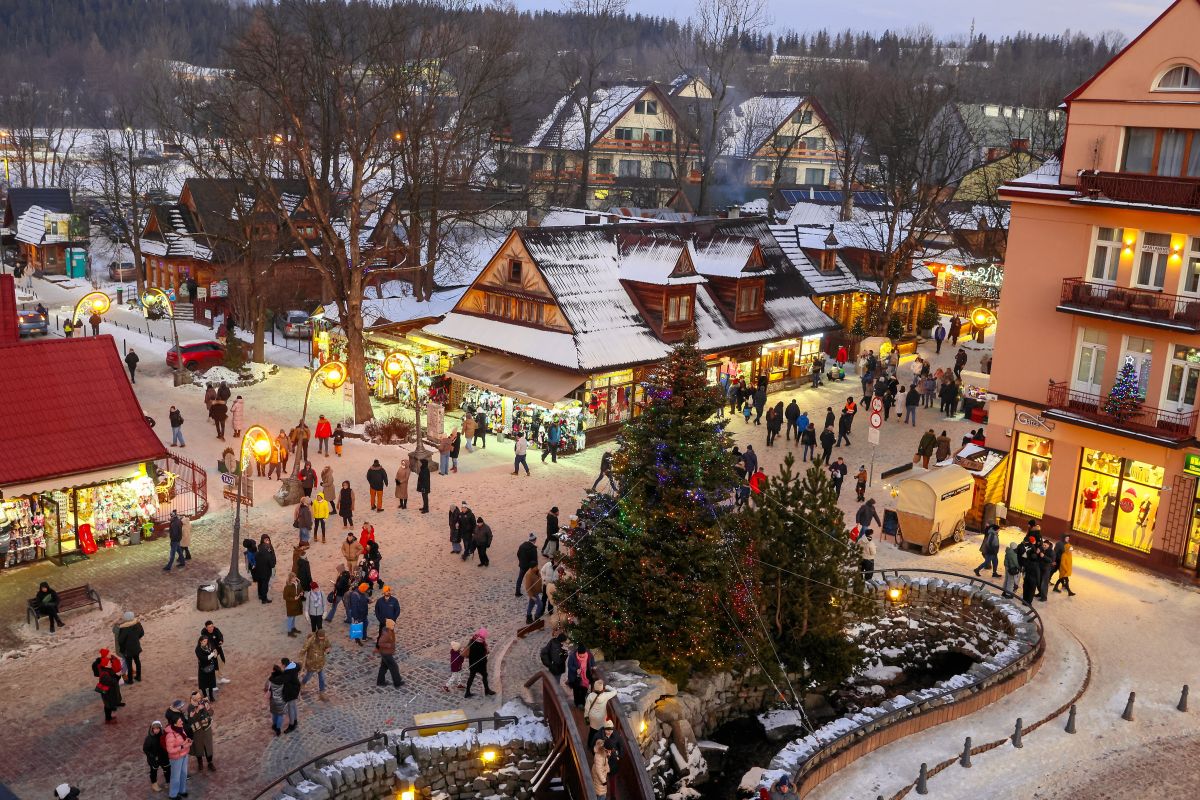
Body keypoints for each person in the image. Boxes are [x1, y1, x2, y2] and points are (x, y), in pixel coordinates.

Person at [584, 679, 619, 749]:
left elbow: (586, 708)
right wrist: (608, 687)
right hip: (601, 718)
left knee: (592, 731)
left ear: (594, 687)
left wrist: (586, 716)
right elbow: (615, 692)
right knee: (599, 733)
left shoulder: (590, 695)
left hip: (592, 716)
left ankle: (589, 745)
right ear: (602, 688)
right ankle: (596, 746)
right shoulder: (605, 695)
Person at [186, 690, 215, 772]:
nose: (200, 699)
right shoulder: (191, 707)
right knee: (198, 747)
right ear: (193, 699)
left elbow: (211, 712)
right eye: (198, 698)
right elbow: (191, 720)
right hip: (197, 731)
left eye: (200, 697)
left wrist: (207, 713)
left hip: (206, 729)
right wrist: (198, 710)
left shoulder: (204, 702)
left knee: (208, 747)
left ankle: (210, 762)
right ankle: (200, 763)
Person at [91, 648, 123, 723]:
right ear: (105, 665)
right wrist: (117, 676)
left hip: (110, 692)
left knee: (109, 704)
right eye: (109, 663)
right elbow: (113, 682)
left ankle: (110, 714)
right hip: (108, 693)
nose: (110, 664)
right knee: (108, 706)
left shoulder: (106, 670)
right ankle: (108, 718)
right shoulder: (104, 674)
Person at [164, 715, 192, 797]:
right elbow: (170, 750)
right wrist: (182, 746)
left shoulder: (180, 729)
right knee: (175, 777)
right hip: (176, 758)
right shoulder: (170, 735)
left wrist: (187, 740)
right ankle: (173, 795)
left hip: (184, 755)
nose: (182, 722)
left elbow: (183, 738)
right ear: (175, 724)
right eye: (180, 721)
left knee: (183, 774)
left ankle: (182, 791)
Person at [300, 628, 332, 700]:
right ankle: (302, 684)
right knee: (308, 676)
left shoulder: (325, 639)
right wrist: (301, 663)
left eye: (322, 638)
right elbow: (302, 652)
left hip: (320, 663)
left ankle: (322, 693)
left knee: (322, 678)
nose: (321, 640)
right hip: (311, 664)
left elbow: (328, 646)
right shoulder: (310, 641)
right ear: (317, 636)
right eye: (320, 638)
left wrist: (328, 650)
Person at [463, 628, 495, 697]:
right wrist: (486, 653)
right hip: (480, 665)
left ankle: (467, 692)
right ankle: (487, 690)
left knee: (471, 677)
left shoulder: (472, 640)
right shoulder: (481, 644)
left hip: (472, 663)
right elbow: (483, 655)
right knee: (485, 676)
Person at [116, 611, 144, 683]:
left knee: (129, 664)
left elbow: (120, 640)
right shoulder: (137, 623)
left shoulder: (123, 628)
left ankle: (130, 680)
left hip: (127, 649)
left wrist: (122, 648)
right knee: (137, 661)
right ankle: (138, 676)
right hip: (136, 646)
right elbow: (142, 633)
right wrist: (136, 639)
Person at [376, 618, 404, 688]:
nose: (394, 626)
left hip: (385, 652)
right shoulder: (386, 633)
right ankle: (397, 682)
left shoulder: (388, 630)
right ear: (389, 625)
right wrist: (389, 645)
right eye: (393, 625)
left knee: (384, 667)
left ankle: (380, 681)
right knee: (394, 667)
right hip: (386, 653)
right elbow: (380, 643)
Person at [143, 720, 170, 793]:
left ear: (160, 728)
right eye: (154, 729)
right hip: (154, 759)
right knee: (153, 771)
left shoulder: (163, 736)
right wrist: (152, 756)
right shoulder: (149, 738)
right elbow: (145, 749)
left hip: (164, 757)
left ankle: (168, 781)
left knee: (167, 769)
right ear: (152, 729)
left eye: (158, 728)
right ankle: (154, 783)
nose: (156, 730)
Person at [252, 534, 276, 603]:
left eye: (268, 539)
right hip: (265, 569)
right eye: (266, 540)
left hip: (259, 568)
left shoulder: (260, 547)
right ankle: (264, 599)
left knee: (260, 582)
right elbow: (270, 558)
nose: (267, 541)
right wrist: (272, 565)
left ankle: (260, 595)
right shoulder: (267, 548)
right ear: (263, 540)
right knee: (264, 583)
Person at [265, 663, 287, 736]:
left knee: (274, 714)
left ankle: (274, 725)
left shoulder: (271, 680)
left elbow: (266, 687)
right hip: (281, 700)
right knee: (280, 715)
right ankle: (278, 729)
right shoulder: (283, 680)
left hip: (273, 700)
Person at [280, 658, 301, 731]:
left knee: (290, 707)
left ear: (284, 664)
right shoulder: (295, 666)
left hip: (290, 691)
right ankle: (295, 720)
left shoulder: (287, 673)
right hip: (296, 688)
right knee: (294, 705)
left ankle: (292, 725)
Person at [517, 532, 539, 598]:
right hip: (530, 566)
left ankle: (517, 591)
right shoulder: (533, 548)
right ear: (534, 540)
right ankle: (533, 591)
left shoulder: (522, 545)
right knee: (533, 579)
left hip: (523, 565)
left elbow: (518, 554)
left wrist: (521, 561)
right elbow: (535, 559)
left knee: (520, 578)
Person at [523, 559, 545, 624]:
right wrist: (532, 596)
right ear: (531, 567)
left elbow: (539, 578)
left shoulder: (537, 571)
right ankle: (536, 617)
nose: (537, 567)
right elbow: (527, 587)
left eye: (537, 566)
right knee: (540, 604)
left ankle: (528, 617)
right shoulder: (528, 574)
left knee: (531, 604)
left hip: (537, 591)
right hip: (533, 593)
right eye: (535, 566)